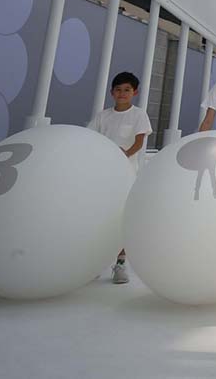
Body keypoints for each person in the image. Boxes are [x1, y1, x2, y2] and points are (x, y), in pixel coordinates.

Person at [88, 70, 152, 284]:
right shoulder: (103, 116)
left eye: (127, 90)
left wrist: (123, 154)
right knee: (99, 215)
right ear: (111, 93)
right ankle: (94, 262)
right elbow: (91, 138)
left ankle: (121, 263)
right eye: (118, 90)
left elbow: (139, 141)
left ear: (134, 92)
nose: (122, 93)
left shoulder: (138, 115)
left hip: (127, 172)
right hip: (102, 173)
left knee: (121, 216)